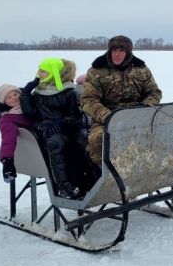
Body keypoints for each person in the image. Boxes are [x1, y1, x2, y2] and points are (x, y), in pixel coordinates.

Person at [80, 35, 162, 164]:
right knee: (98, 140)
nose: (117, 54)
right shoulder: (96, 71)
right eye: (114, 50)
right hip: (106, 119)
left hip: (137, 117)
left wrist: (144, 109)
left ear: (128, 53)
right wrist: (108, 116)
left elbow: (154, 92)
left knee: (159, 135)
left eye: (121, 51)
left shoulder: (142, 70)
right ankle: (102, 176)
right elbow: (88, 100)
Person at [21, 58, 89, 199]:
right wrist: (26, 93)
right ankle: (64, 187)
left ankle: (90, 181)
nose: (40, 73)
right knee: (57, 143)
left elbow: (75, 117)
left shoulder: (68, 92)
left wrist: (61, 124)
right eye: (39, 69)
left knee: (84, 141)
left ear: (54, 72)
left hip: (68, 127)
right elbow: (30, 114)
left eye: (44, 71)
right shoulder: (38, 92)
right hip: (48, 131)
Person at [0, 84, 34, 183]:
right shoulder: (8, 119)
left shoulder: (32, 107)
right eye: (9, 97)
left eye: (15, 94)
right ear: (4, 102)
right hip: (35, 153)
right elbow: (8, 139)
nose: (14, 98)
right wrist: (7, 160)